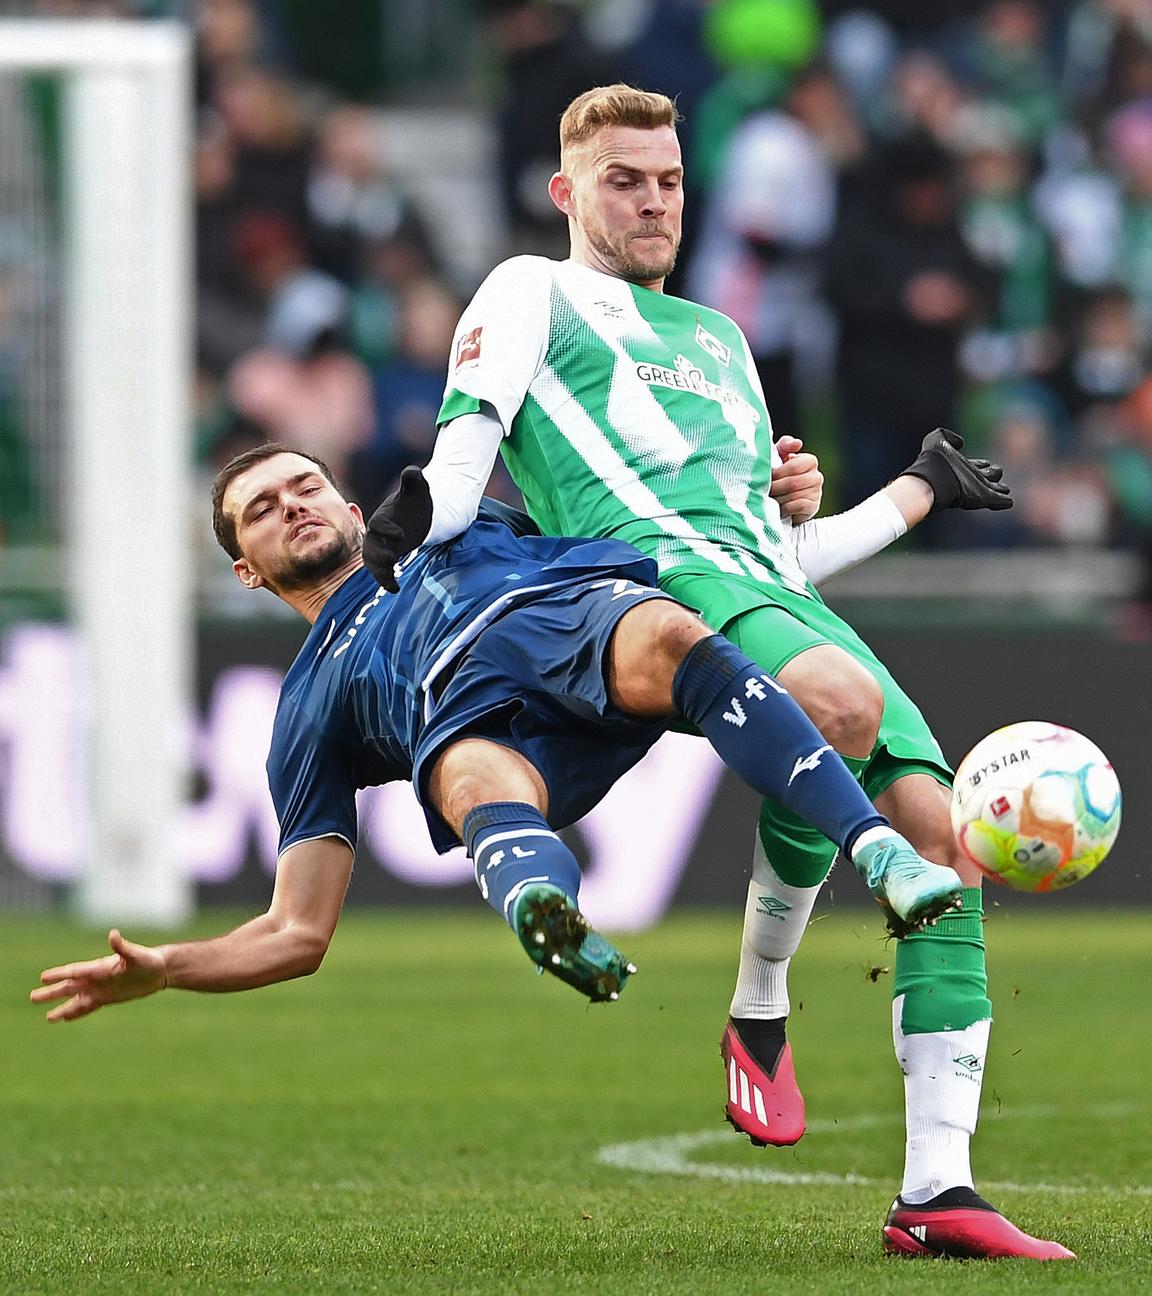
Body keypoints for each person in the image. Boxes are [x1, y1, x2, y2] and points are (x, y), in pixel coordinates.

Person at [360, 85, 1073, 1261]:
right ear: (566, 192)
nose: (651, 200)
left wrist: (912, 493)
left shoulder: (723, 342)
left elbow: (779, 553)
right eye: (624, 179)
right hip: (642, 593)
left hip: (765, 595)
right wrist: (397, 534)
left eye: (670, 180)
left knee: (944, 837)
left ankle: (932, 1188)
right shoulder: (528, 291)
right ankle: (764, 994)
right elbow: (458, 464)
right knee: (835, 704)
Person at [33, 443, 957, 1026]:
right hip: (479, 723)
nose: (294, 506)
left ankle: (880, 854)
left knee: (679, 631)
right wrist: (169, 969)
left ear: (354, 510)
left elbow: (682, 518)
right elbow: (296, 928)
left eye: (305, 486)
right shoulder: (308, 705)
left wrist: (779, 490)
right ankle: (545, 917)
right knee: (467, 774)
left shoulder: (455, 517)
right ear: (246, 570)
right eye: (264, 511)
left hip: (567, 624)